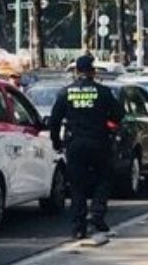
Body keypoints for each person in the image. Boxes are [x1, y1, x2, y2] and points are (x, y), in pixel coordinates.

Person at [49, 54, 124, 239]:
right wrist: (105, 121)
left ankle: (78, 227)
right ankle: (97, 214)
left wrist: (56, 143)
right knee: (104, 178)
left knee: (77, 185)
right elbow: (118, 114)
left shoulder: (66, 93)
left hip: (75, 143)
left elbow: (54, 121)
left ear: (76, 71)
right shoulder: (103, 92)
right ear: (92, 71)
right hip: (99, 141)